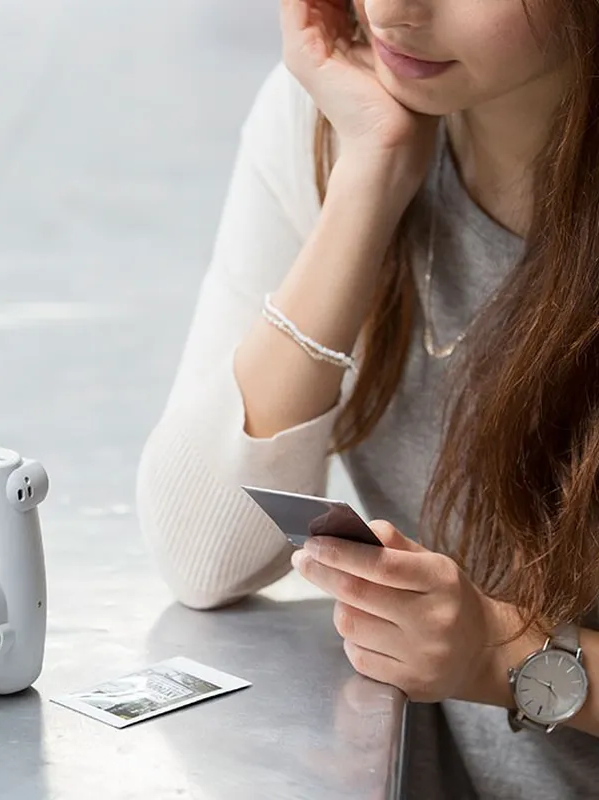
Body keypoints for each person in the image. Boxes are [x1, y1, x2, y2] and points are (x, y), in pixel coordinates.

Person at [136, 0, 599, 797]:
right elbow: (203, 555)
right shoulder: (341, 108)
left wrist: (499, 652)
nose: (391, 10)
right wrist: (370, 174)